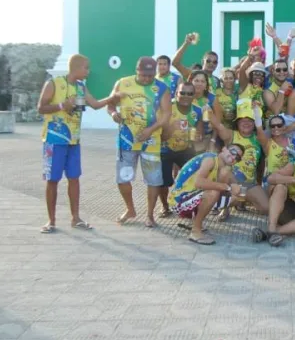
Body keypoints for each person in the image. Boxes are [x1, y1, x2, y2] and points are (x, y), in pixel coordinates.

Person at [37, 54, 116, 233]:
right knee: (52, 180)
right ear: (77, 68)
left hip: (74, 141)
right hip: (54, 140)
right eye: (86, 68)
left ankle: (76, 218)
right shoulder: (54, 83)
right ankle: (51, 221)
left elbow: (95, 104)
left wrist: (113, 97)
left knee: (74, 179)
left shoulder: (81, 87)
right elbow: (40, 108)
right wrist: (61, 106)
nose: (88, 71)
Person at [107, 56, 173, 227]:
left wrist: (151, 130)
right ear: (137, 71)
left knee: (153, 180)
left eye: (150, 75)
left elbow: (167, 114)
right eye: (144, 75)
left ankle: (150, 215)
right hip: (126, 140)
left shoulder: (161, 88)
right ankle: (130, 209)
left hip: (151, 141)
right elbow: (110, 104)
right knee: (123, 178)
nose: (147, 79)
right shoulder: (122, 83)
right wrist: (114, 114)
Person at [168, 144, 245, 245]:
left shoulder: (223, 166)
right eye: (233, 152)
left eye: (238, 157)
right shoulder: (210, 159)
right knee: (213, 192)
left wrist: (235, 185)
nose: (234, 157)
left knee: (232, 194)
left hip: (189, 199)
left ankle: (196, 222)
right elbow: (198, 182)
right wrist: (228, 187)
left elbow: (229, 176)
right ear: (224, 148)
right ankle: (195, 231)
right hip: (178, 201)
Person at [159, 82, 203, 217]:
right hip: (165, 149)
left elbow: (199, 135)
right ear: (176, 93)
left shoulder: (197, 111)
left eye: (190, 93)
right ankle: (165, 206)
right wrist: (171, 128)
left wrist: (197, 136)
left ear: (194, 96)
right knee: (163, 181)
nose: (185, 96)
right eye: (182, 93)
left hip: (185, 149)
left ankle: (186, 205)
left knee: (192, 178)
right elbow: (161, 137)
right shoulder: (167, 109)